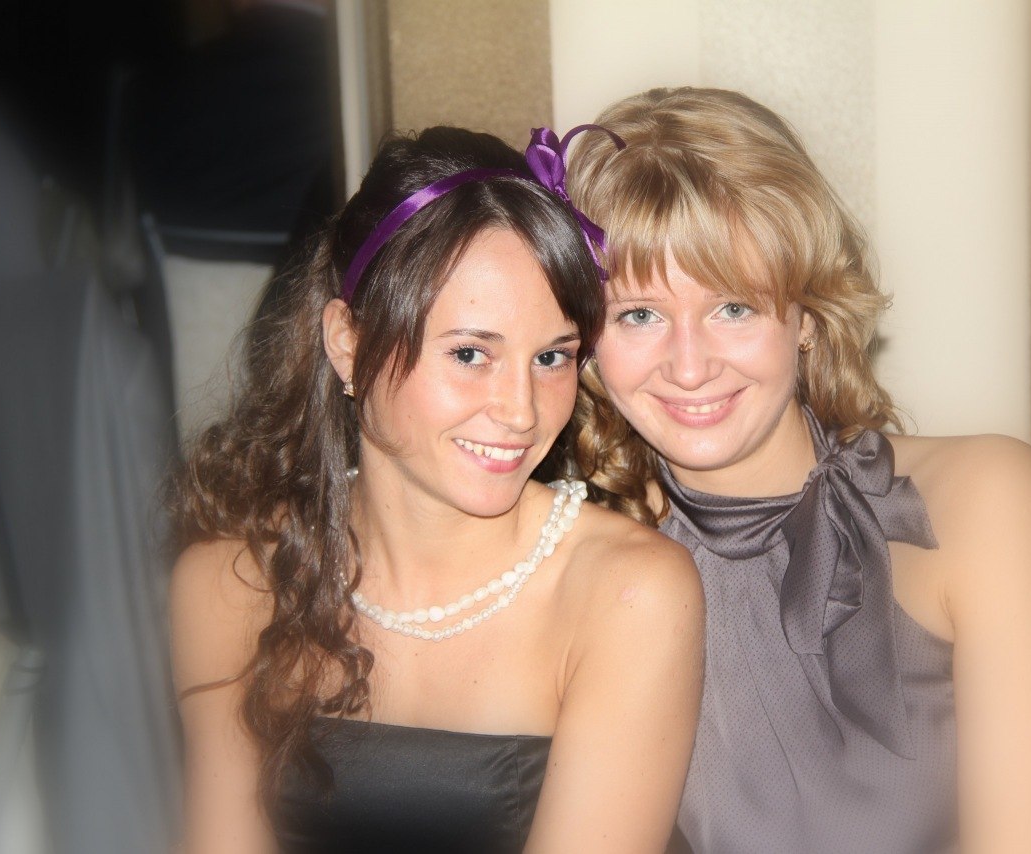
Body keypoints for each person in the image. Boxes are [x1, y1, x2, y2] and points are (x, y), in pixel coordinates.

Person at [567, 87, 1031, 854]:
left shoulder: (981, 502)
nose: (689, 366)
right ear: (585, 343)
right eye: (639, 315)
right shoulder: (574, 559)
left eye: (733, 308)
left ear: (808, 315)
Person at [167, 125, 705, 854]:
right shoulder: (232, 583)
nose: (521, 411)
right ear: (348, 343)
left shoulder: (626, 593)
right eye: (471, 353)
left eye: (552, 358)